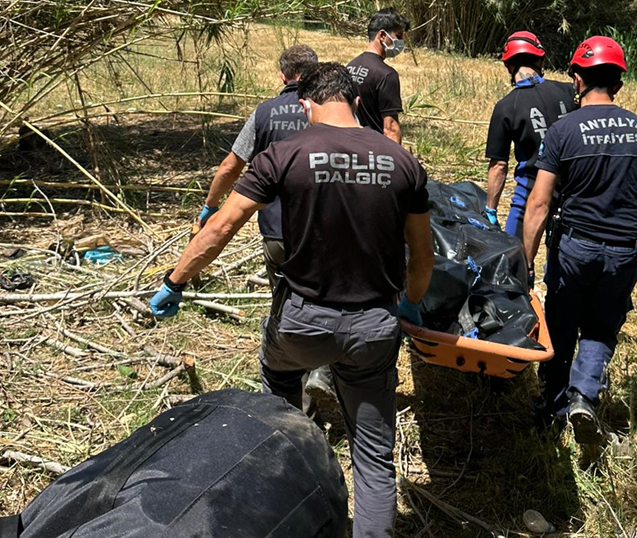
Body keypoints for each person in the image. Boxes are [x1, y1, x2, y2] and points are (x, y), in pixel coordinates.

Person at [150, 63, 435, 538]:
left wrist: (175, 281)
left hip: (301, 324)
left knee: (277, 389)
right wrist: (410, 302)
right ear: (357, 103)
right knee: (372, 456)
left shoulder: (283, 155)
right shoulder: (401, 162)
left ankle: (287, 448)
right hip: (373, 329)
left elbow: (219, 228)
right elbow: (422, 257)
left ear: (306, 105)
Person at [521, 36, 637, 445]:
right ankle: (584, 396)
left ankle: (552, 409)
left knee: (561, 326)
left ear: (576, 78)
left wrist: (526, 259)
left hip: (575, 248)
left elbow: (538, 203)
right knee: (602, 328)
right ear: (619, 84)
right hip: (625, 251)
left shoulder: (562, 130)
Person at [193, 44, 335, 416]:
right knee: (328, 301)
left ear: (283, 76)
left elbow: (230, 166)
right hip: (324, 231)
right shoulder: (331, 112)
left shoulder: (264, 114)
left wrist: (210, 206)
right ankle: (323, 371)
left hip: (276, 233)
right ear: (316, 73)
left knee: (285, 307)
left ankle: (293, 403)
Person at [484, 31, 576, 236]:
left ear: (508, 66)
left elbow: (498, 166)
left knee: (517, 260)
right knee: (562, 261)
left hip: (530, 192)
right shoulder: (570, 92)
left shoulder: (506, 106)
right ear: (541, 61)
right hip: (572, 192)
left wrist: (491, 209)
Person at [346, 8, 409, 144]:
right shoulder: (387, 75)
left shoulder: (349, 67)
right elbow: (391, 129)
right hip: (374, 151)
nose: (402, 42)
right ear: (382, 36)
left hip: (349, 146)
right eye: (398, 36)